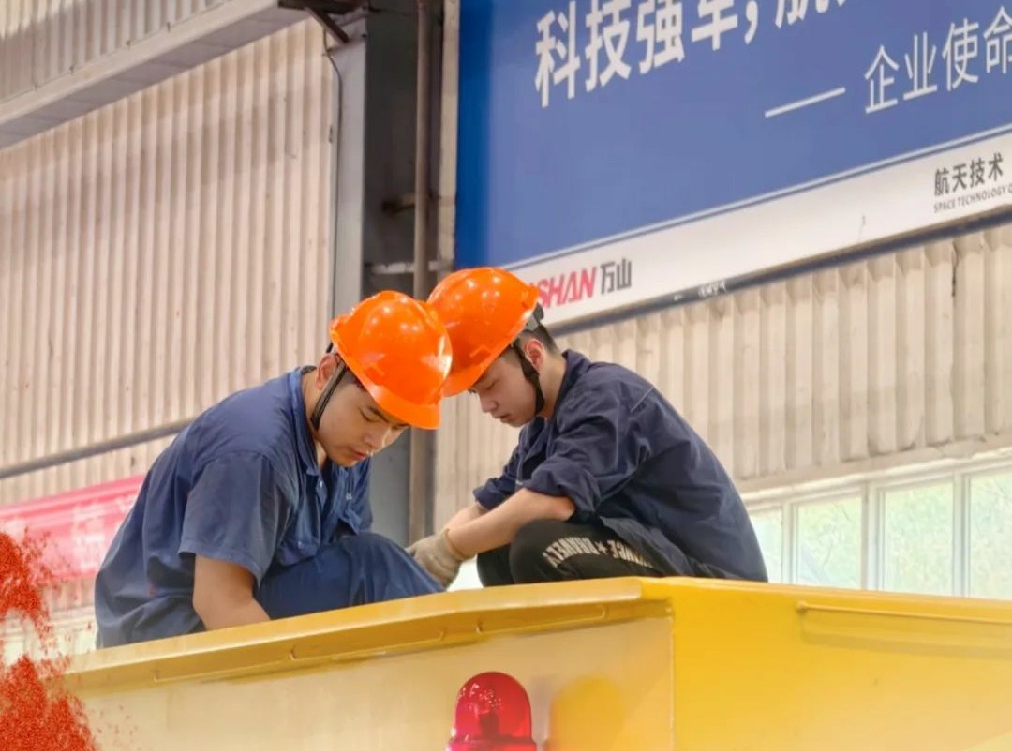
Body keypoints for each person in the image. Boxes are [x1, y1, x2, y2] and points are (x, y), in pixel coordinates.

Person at [95, 292, 451, 647]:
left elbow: (340, 582)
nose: (379, 440)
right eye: (370, 415)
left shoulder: (349, 448)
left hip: (245, 606)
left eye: (397, 428)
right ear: (327, 372)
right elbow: (220, 604)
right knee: (372, 566)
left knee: (370, 565)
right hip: (162, 633)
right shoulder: (255, 450)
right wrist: (310, 680)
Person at [408, 267, 768, 591]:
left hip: (718, 584)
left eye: (490, 385)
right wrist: (428, 557)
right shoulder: (541, 432)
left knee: (538, 545)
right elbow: (489, 508)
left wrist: (452, 548)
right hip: (664, 560)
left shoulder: (606, 397)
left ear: (533, 355)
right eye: (476, 394)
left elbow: (551, 504)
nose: (486, 405)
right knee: (496, 554)